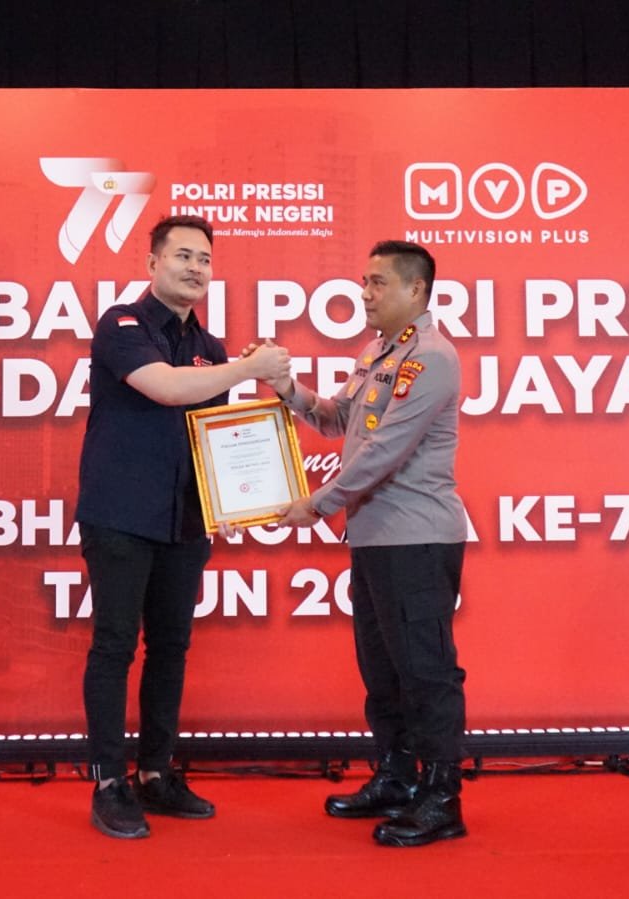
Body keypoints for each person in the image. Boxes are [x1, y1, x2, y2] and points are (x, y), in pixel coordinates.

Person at [76, 214, 290, 839]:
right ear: (152, 264)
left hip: (185, 520)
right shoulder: (121, 324)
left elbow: (210, 436)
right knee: (115, 646)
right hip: (120, 515)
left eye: (205, 259)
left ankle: (155, 773)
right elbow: (166, 389)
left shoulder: (212, 348)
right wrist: (247, 370)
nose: (196, 268)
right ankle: (109, 783)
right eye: (183, 256)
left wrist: (235, 500)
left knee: (171, 648)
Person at [267, 239, 469, 847]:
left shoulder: (431, 357)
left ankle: (441, 798)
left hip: (416, 538)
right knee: (382, 670)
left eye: (378, 282)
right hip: (376, 539)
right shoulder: (378, 352)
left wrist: (316, 505)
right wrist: (287, 388)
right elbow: (338, 420)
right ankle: (397, 778)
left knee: (426, 671)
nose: (365, 293)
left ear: (416, 289)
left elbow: (385, 451)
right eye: (364, 281)